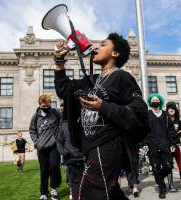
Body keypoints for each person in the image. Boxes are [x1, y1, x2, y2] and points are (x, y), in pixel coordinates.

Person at [54, 32, 149, 200]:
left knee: (88, 194)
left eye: (103, 44)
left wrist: (103, 107)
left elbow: (139, 111)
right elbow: (64, 90)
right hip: (90, 147)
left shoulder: (121, 76)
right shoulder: (93, 80)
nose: (96, 47)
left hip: (108, 144)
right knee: (110, 193)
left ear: (115, 53)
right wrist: (59, 62)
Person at [29, 94, 62, 200]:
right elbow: (32, 130)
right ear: (39, 105)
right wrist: (36, 142)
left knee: (54, 166)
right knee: (44, 170)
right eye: (44, 106)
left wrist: (59, 137)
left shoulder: (56, 112)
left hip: (54, 146)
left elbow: (63, 122)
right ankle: (44, 193)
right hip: (41, 148)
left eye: (48, 105)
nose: (46, 108)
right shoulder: (35, 116)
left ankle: (53, 188)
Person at [147, 93, 176, 199]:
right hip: (152, 146)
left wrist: (173, 144)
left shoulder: (166, 115)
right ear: (150, 102)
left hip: (165, 145)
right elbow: (143, 131)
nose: (155, 101)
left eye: (157, 100)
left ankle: (158, 177)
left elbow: (172, 131)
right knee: (155, 167)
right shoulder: (147, 114)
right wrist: (144, 144)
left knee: (168, 166)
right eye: (153, 100)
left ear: (160, 101)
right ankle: (162, 188)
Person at [56, 101, 85, 200]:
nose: (62, 109)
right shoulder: (63, 125)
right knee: (74, 185)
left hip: (84, 159)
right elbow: (59, 141)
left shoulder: (81, 122)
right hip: (71, 161)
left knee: (86, 184)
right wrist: (64, 152)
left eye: (63, 107)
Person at [165, 102, 181, 194]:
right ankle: (171, 186)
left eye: (173, 108)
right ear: (167, 110)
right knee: (169, 165)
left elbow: (180, 133)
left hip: (178, 145)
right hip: (168, 146)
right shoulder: (165, 120)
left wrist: (177, 134)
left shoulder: (178, 121)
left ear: (175, 110)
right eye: (169, 108)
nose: (171, 110)